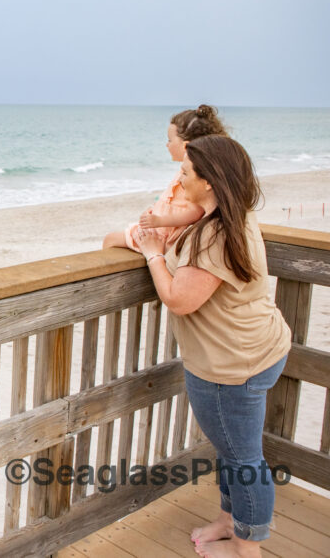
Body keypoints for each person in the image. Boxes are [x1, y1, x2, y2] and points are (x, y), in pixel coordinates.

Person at [135, 135, 290, 558]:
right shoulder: (231, 212)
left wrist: (152, 253)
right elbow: (191, 223)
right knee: (231, 450)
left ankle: (246, 547)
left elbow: (180, 300)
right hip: (259, 349)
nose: (179, 176)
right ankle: (229, 521)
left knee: (244, 460)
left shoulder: (214, 236)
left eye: (186, 171)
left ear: (209, 181)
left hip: (231, 367)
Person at [104, 105, 228, 251]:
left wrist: (159, 221)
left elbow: (194, 212)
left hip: (163, 236)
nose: (166, 144)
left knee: (110, 239)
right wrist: (152, 212)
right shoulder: (188, 172)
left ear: (186, 146)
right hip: (159, 229)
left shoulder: (192, 177)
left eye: (169, 140)